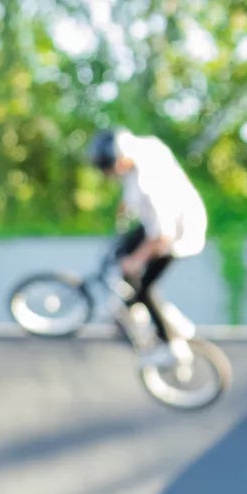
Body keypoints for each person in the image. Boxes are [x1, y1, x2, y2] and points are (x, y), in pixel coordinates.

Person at [88, 128, 208, 367]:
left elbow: (163, 237)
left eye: (110, 170)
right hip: (160, 225)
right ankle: (138, 307)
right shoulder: (143, 149)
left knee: (144, 287)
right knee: (121, 253)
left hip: (178, 236)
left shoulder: (149, 184)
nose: (110, 176)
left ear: (121, 161)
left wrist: (137, 260)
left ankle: (172, 344)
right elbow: (131, 189)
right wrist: (125, 208)